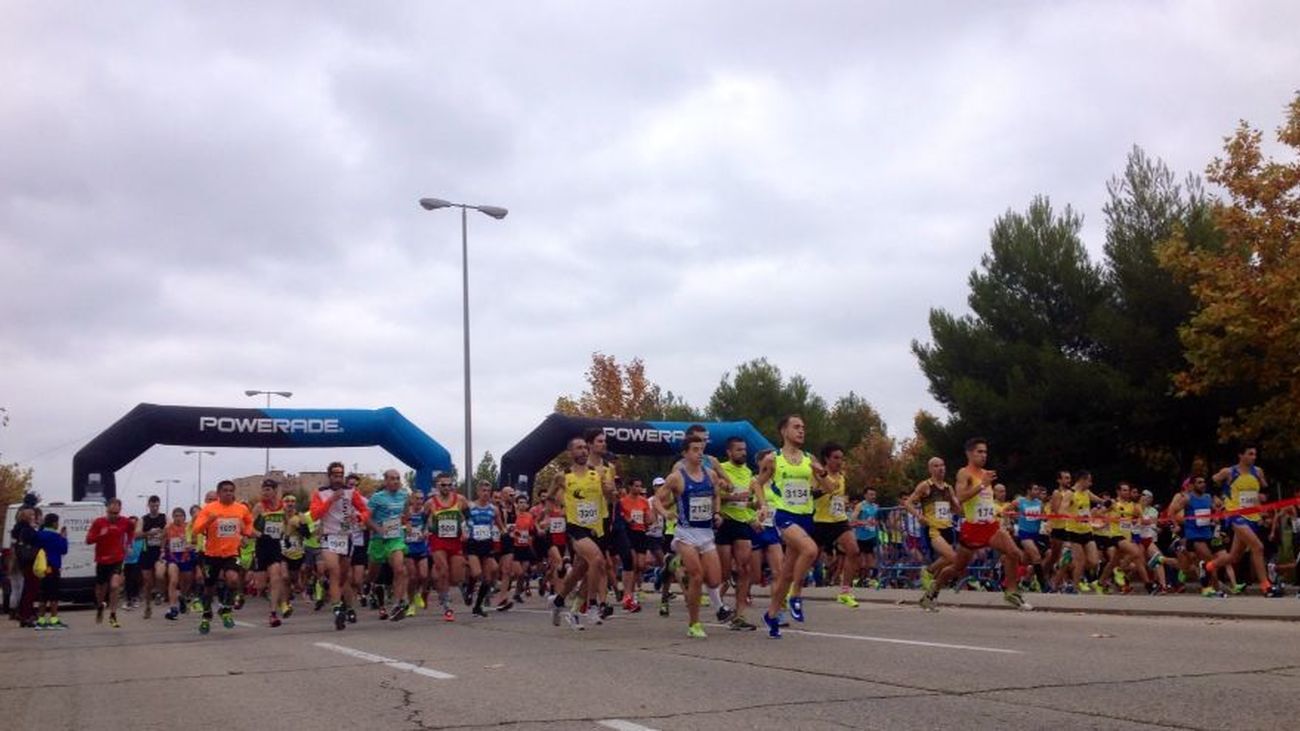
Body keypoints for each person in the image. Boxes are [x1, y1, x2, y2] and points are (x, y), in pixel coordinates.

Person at [920, 438, 1031, 611]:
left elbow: (986, 501)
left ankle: (1011, 592)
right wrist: (982, 485)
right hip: (973, 529)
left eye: (985, 452)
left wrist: (997, 509)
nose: (983, 455)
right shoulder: (964, 473)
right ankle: (932, 591)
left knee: (1014, 553)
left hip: (991, 526)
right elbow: (960, 497)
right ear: (969, 453)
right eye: (979, 452)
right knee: (957, 567)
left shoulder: (986, 473)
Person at [758, 415, 834, 638]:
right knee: (810, 550)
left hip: (805, 518)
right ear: (784, 431)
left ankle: (771, 615)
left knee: (785, 573)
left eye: (803, 427)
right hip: (784, 515)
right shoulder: (773, 459)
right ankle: (796, 594)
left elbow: (829, 488)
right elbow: (757, 483)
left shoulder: (809, 459)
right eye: (796, 427)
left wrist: (821, 474)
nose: (801, 431)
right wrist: (763, 505)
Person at [549, 436, 616, 630]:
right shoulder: (563, 476)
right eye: (579, 448)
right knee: (597, 560)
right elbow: (550, 496)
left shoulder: (601, 472)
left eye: (585, 448)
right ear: (570, 453)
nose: (584, 451)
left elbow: (611, 499)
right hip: (576, 527)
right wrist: (553, 511)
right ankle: (593, 606)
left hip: (596, 526)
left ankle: (559, 600)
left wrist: (610, 491)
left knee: (581, 568)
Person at [659, 434, 723, 639]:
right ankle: (694, 623)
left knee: (714, 580)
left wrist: (717, 513)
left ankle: (673, 561)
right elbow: (657, 500)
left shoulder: (711, 474)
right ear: (685, 453)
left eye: (701, 449)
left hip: (706, 533)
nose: (699, 453)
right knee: (696, 576)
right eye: (695, 449)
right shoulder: (677, 477)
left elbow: (716, 496)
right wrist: (665, 513)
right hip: (685, 534)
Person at [1207, 445, 1279, 597]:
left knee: (1234, 556)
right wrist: (1215, 498)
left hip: (1253, 516)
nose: (1254, 457)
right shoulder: (1229, 472)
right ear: (1241, 455)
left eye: (1255, 454)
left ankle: (1209, 566)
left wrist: (1263, 497)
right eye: (1250, 454)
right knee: (1257, 547)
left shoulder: (1258, 472)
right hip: (1235, 515)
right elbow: (1209, 483)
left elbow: (1266, 490)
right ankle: (1266, 586)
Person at [309, 462, 372, 630]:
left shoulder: (351, 492)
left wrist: (359, 518)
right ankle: (337, 610)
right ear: (329, 476)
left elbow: (366, 511)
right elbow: (315, 515)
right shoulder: (320, 494)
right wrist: (331, 500)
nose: (338, 478)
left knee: (345, 578)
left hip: (346, 537)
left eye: (341, 475)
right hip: (329, 536)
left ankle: (349, 607)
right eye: (335, 475)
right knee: (334, 571)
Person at [190, 480, 258, 634]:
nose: (228, 493)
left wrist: (246, 532)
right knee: (209, 588)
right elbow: (195, 530)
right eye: (225, 490)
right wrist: (209, 521)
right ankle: (207, 615)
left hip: (232, 553)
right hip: (211, 555)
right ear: (219, 493)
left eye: (231, 490)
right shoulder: (209, 509)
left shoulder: (240, 508)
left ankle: (226, 609)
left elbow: (249, 522)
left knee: (233, 579)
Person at [715, 437, 758, 628]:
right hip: (724, 522)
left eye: (744, 449)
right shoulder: (720, 470)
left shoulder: (749, 472)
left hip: (742, 522)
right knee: (723, 574)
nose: (743, 453)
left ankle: (740, 615)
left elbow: (747, 501)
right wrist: (733, 496)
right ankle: (720, 602)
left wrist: (753, 512)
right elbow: (714, 496)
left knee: (745, 568)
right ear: (729, 452)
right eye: (739, 450)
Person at [811, 442, 860, 608]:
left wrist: (842, 503)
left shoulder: (841, 477)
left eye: (841, 458)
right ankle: (790, 588)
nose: (839, 461)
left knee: (853, 550)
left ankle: (845, 592)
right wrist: (826, 489)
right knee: (810, 557)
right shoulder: (817, 474)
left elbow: (838, 498)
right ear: (827, 459)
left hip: (839, 520)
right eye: (836, 458)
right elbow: (810, 495)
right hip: (820, 521)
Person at [903, 457, 958, 597]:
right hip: (933, 529)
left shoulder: (948, 488)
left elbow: (956, 509)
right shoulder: (925, 486)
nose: (940, 468)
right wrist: (919, 516)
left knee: (949, 559)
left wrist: (958, 505)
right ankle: (927, 572)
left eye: (942, 465)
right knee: (952, 557)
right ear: (930, 469)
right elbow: (908, 503)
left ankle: (932, 589)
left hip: (947, 527)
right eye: (936, 466)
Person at [367, 469, 412, 620]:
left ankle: (398, 604)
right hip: (378, 540)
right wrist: (378, 528)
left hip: (395, 537)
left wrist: (407, 523)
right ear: (385, 481)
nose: (395, 481)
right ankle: (371, 587)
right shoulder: (377, 498)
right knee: (373, 573)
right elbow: (366, 519)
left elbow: (406, 513)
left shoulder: (404, 495)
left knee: (399, 569)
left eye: (398, 478)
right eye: (392, 479)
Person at [426, 473, 469, 621]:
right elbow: (422, 519)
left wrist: (466, 530)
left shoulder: (460, 500)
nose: (446, 488)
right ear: (437, 486)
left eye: (449, 485)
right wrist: (426, 529)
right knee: (443, 570)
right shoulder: (431, 503)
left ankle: (455, 587)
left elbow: (469, 517)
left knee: (456, 576)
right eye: (443, 485)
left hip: (455, 540)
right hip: (438, 540)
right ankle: (447, 605)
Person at [87, 498, 134, 628]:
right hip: (102, 560)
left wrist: (129, 544)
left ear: (120, 510)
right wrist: (100, 535)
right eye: (111, 513)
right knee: (101, 589)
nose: (114, 516)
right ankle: (100, 605)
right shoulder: (98, 522)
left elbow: (131, 531)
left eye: (116, 513)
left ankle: (113, 614)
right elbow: (88, 540)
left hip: (117, 559)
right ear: (106, 510)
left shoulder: (125, 522)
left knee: (114, 586)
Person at [251, 478, 290, 627]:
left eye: (268, 489)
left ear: (275, 491)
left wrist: (285, 536)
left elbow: (286, 523)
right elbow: (248, 527)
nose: (265, 492)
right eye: (263, 490)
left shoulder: (283, 507)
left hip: (275, 545)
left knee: (276, 577)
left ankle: (273, 613)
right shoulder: (259, 507)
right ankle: (271, 595)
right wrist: (259, 534)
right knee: (260, 586)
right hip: (261, 546)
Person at [33, 513, 68, 630]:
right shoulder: (56, 536)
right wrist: (64, 537)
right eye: (57, 522)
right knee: (53, 594)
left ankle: (41, 620)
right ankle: (54, 619)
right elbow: (63, 550)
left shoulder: (39, 535)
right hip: (53, 567)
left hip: (42, 567)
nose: (58, 524)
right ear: (54, 523)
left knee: (43, 594)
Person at [163, 507, 197, 620]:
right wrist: (162, 552)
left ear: (184, 517)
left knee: (187, 580)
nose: (178, 518)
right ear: (173, 517)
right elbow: (163, 543)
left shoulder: (189, 527)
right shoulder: (168, 528)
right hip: (173, 557)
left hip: (186, 556)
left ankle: (182, 596)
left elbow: (196, 541)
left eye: (180, 516)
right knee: (173, 579)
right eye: (176, 516)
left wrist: (189, 543)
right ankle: (172, 607)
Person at [1012, 484, 1048, 591]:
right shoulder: (1020, 501)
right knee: (1037, 557)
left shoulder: (1040, 503)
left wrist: (1043, 518)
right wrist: (1011, 519)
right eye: (1035, 489)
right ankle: (1044, 586)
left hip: (1035, 534)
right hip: (1024, 534)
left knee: (1026, 560)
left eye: (1038, 489)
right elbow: (1006, 510)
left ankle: (1024, 582)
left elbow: (1043, 517)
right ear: (1029, 491)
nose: (1038, 491)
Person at [139, 495, 167, 619]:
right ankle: (147, 606)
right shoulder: (143, 519)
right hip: (147, 551)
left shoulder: (164, 517)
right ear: (148, 505)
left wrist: (164, 534)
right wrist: (148, 533)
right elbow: (136, 534)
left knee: (160, 574)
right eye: (152, 505)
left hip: (159, 551)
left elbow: (170, 530)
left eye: (157, 505)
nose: (155, 508)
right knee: (147, 581)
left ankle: (160, 593)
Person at [404, 490, 431, 614]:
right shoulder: (406, 512)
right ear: (412, 499)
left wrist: (426, 532)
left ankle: (418, 594)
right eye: (417, 498)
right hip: (408, 547)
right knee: (413, 577)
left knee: (424, 576)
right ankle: (411, 604)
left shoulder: (424, 512)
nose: (420, 501)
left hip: (421, 547)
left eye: (421, 499)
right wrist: (405, 528)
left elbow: (429, 526)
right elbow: (398, 525)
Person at [852, 488, 881, 588]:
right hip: (861, 536)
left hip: (872, 535)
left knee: (871, 559)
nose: (873, 497)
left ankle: (870, 579)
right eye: (871, 494)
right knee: (862, 562)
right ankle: (860, 578)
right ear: (865, 495)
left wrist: (876, 523)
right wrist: (864, 522)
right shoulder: (860, 506)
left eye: (874, 495)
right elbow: (853, 520)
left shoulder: (876, 506)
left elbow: (877, 520)